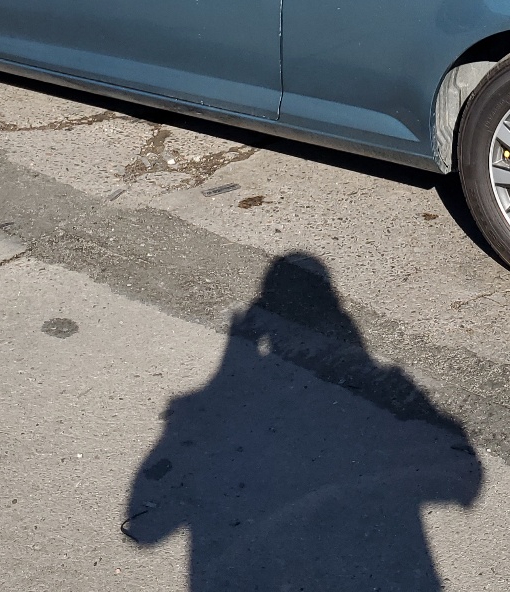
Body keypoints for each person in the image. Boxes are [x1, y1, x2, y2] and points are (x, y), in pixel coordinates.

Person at [122, 253, 482, 590]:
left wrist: (229, 369)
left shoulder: (200, 416)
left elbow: (148, 527)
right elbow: (466, 481)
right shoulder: (390, 391)